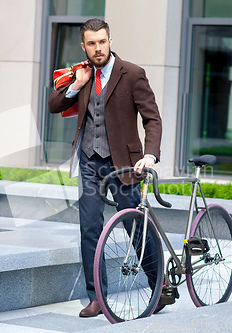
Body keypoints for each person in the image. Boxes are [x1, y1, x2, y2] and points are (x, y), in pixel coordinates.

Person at [48, 18, 163, 317]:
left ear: (110, 41)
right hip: (88, 161)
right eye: (91, 43)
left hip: (123, 164)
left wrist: (150, 154)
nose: (97, 48)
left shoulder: (133, 74)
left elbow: (152, 119)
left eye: (102, 42)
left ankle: (159, 285)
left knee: (134, 226)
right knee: (89, 229)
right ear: (83, 46)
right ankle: (97, 297)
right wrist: (77, 84)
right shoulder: (82, 73)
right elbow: (54, 104)